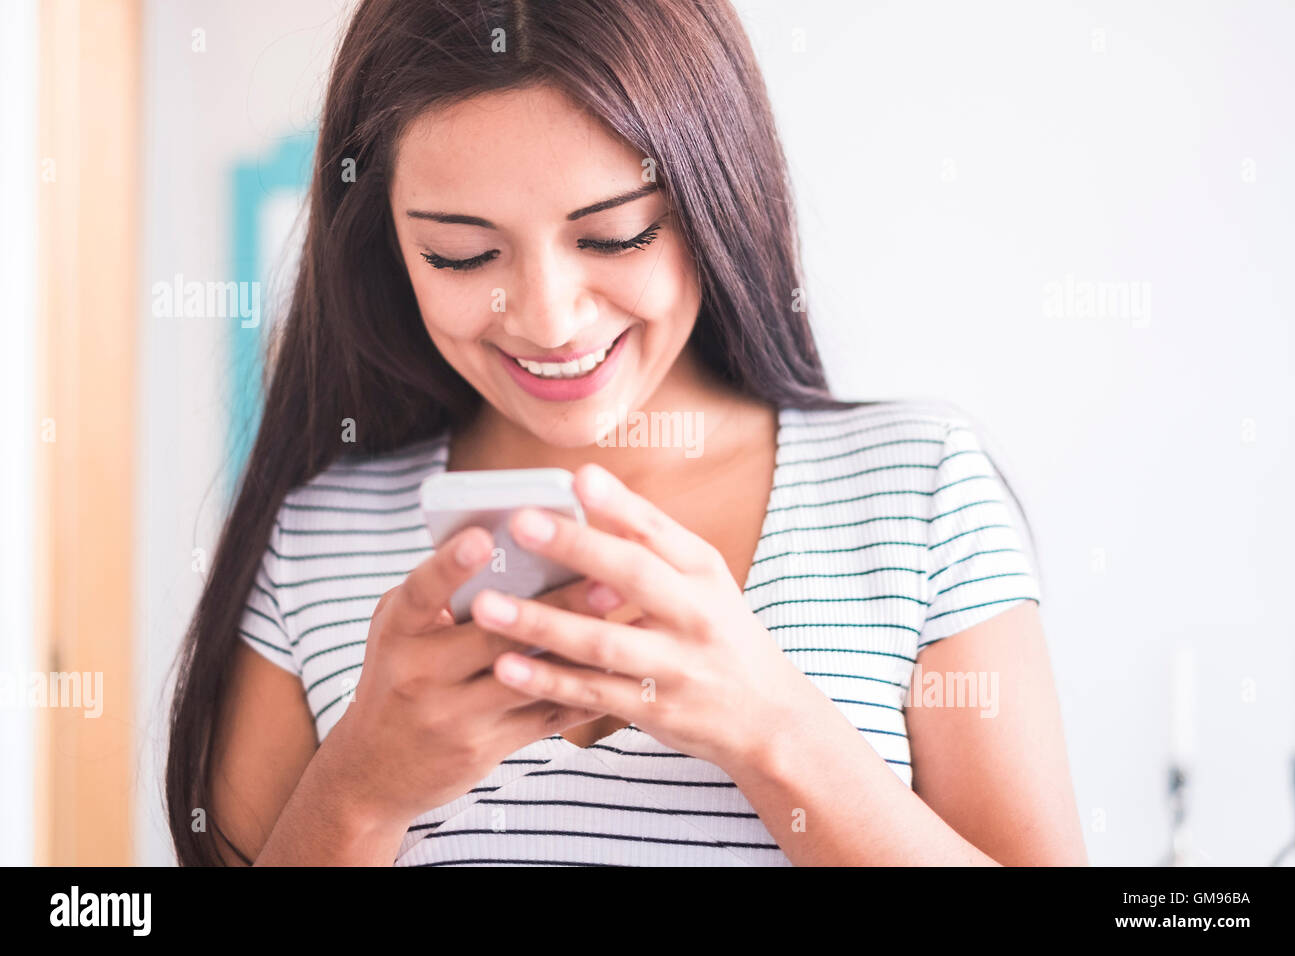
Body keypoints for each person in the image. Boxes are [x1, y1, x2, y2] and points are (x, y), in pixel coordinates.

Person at [166, 0, 1088, 866]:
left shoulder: (916, 490)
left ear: (712, 201)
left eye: (615, 237)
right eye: (461, 253)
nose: (548, 319)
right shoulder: (319, 539)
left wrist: (772, 728)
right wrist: (360, 791)